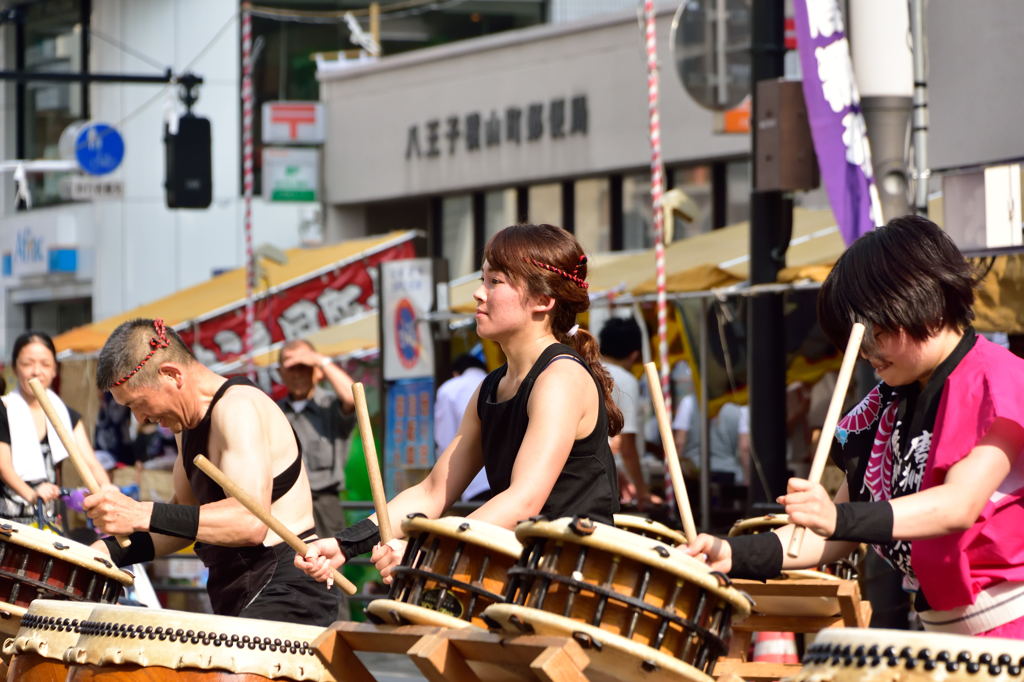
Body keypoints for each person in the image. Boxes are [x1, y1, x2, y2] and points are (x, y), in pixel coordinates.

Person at [688, 215, 1024, 638]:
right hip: (942, 634)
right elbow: (829, 536)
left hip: (1010, 632)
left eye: (873, 332)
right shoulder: (882, 406)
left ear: (917, 301)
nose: (864, 352)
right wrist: (730, 552)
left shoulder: (998, 379)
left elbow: (956, 506)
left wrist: (836, 517)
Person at [297, 223, 621, 585]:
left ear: (544, 300)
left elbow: (523, 500)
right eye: (483, 280)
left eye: (495, 282)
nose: (478, 294)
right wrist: (347, 543)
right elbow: (433, 491)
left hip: (576, 581)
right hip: (526, 575)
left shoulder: (560, 378)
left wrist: (427, 550)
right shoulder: (491, 387)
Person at [82, 318, 339, 626]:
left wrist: (140, 513)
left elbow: (249, 521)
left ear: (171, 374)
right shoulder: (185, 426)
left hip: (287, 588)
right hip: (238, 588)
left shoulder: (238, 408)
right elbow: (183, 519)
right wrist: (105, 551)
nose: (140, 419)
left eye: (138, 404)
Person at [0, 331, 111, 526]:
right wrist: (32, 494)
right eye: (27, 364)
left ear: (55, 370)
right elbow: (4, 466)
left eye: (45, 364)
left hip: (48, 520)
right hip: (8, 521)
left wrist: (107, 488)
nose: (36, 371)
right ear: (15, 368)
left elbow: (90, 463)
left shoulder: (64, 414)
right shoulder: (4, 409)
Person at [277, 338, 355, 539]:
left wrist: (319, 360)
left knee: (327, 568)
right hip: (282, 505)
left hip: (323, 504)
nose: (297, 374)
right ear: (280, 373)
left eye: (304, 367)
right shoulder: (274, 411)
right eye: (291, 368)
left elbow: (354, 397)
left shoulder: (330, 405)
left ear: (317, 371)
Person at [598, 316, 653, 510]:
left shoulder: (585, 369)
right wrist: (642, 490)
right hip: (612, 477)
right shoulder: (626, 380)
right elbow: (627, 446)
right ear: (634, 355)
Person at [433, 353, 489, 502]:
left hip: (473, 482)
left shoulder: (450, 388)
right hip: (509, 481)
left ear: (455, 373)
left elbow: (445, 440)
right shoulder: (500, 382)